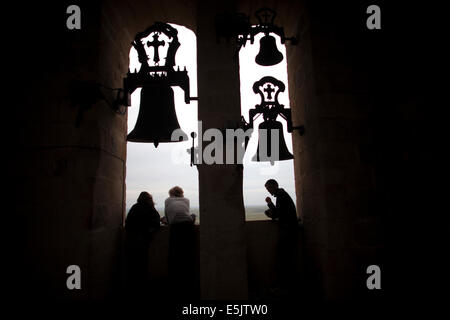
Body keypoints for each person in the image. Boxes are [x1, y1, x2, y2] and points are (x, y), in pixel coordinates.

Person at [264, 179, 300, 299]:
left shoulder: (281, 196)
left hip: (287, 231)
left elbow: (277, 214)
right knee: (286, 259)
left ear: (274, 186)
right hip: (290, 230)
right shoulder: (282, 195)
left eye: (269, 188)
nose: (268, 191)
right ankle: (287, 287)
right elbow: (280, 213)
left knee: (284, 260)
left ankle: (284, 288)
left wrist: (269, 207)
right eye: (267, 189)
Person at [124, 191, 161, 297]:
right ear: (149, 199)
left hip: (131, 241)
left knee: (131, 267)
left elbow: (127, 224)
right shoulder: (150, 208)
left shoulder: (134, 207)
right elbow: (156, 223)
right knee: (142, 267)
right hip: (143, 241)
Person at [164, 186, 198, 299]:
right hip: (188, 227)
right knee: (188, 255)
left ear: (171, 193)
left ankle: (175, 286)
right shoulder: (186, 200)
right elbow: (185, 213)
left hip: (176, 229)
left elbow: (169, 218)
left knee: (175, 255)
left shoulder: (168, 200)